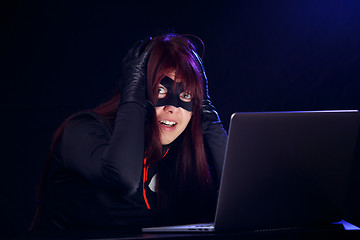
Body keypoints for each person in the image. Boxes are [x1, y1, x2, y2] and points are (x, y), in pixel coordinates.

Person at [31, 33, 227, 234]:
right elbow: (123, 177)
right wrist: (132, 94)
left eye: (186, 95)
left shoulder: (183, 152)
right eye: (160, 90)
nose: (172, 108)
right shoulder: (83, 131)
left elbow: (244, 197)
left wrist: (209, 118)